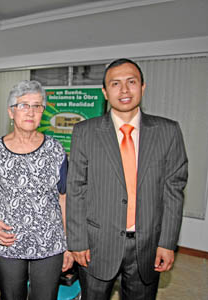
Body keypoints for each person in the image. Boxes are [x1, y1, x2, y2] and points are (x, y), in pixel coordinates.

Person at [66, 58, 189, 300]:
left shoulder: (168, 131)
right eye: (115, 84)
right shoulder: (85, 132)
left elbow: (174, 189)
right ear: (104, 91)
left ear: (143, 87)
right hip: (97, 245)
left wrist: (167, 242)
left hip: (148, 245)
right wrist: (77, 241)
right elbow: (76, 188)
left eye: (131, 82)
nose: (124, 90)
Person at [0, 80, 74, 300]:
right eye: (24, 105)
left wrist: (69, 244)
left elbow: (64, 198)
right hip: (7, 242)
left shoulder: (55, 150)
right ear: (11, 112)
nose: (31, 112)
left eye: (37, 106)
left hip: (50, 243)